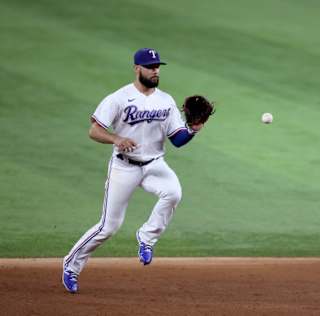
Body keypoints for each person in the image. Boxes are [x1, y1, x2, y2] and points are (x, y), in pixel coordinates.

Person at [62, 48, 212, 294]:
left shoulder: (166, 100)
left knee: (173, 192)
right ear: (137, 68)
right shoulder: (119, 98)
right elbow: (94, 130)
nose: (155, 71)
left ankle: (146, 237)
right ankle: (71, 264)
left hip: (154, 164)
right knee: (108, 227)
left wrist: (194, 129)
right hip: (124, 166)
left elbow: (177, 139)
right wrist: (116, 139)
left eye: (157, 66)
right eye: (150, 66)